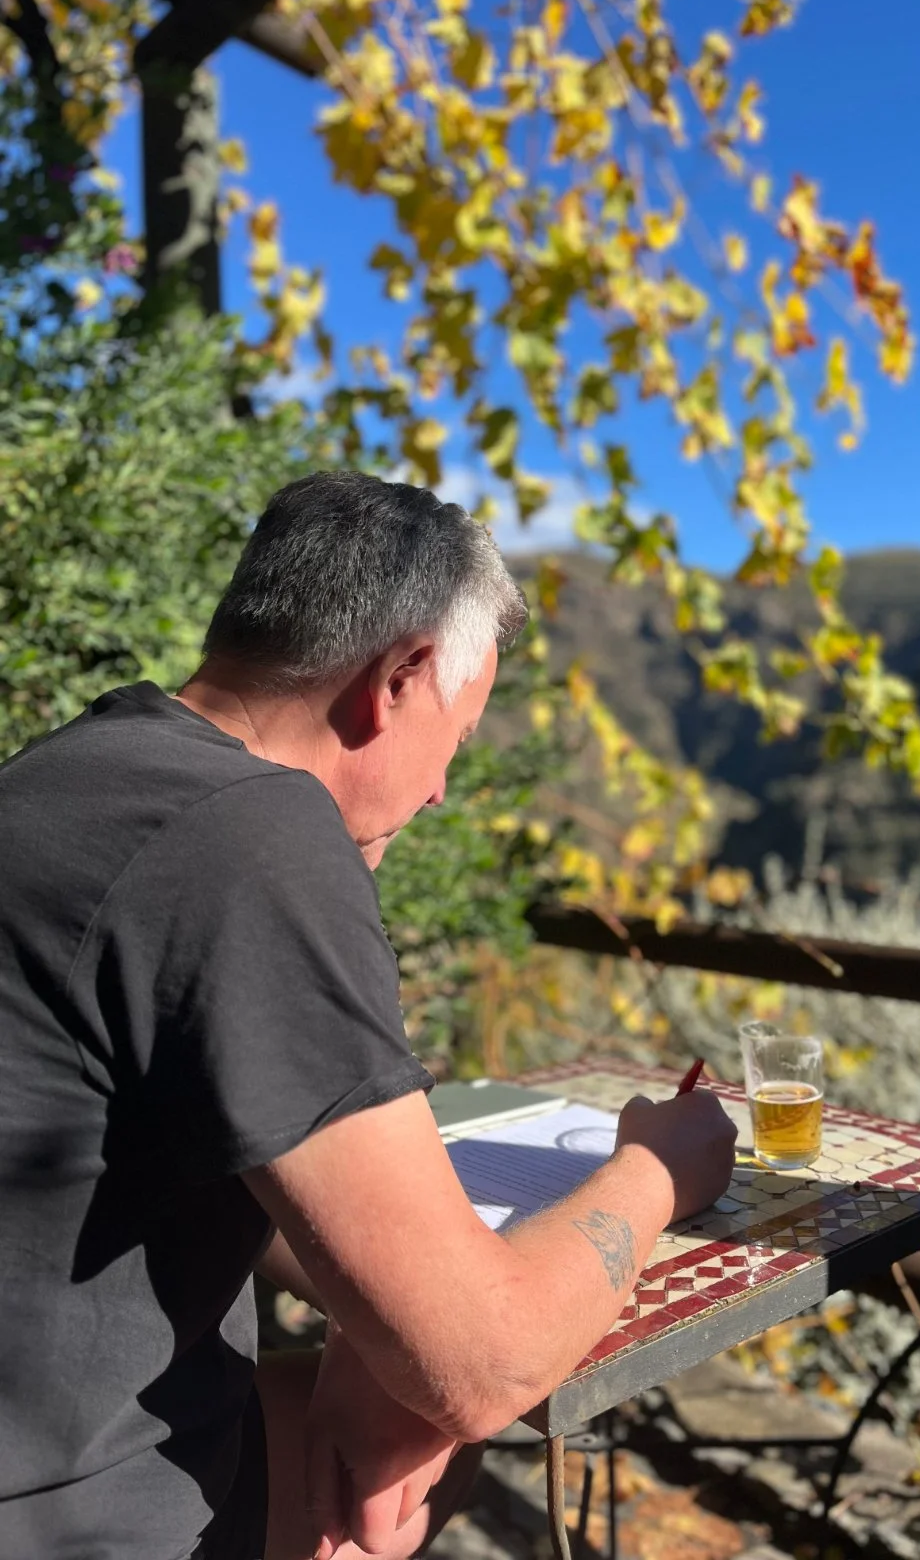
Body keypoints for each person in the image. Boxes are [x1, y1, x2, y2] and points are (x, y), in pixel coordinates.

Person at [0, 471, 737, 1560]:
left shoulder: (73, 773)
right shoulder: (250, 834)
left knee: (418, 1420)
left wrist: (379, 1322)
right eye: (461, 732)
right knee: (451, 1424)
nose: (442, 790)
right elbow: (488, 1361)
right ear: (397, 677)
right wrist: (664, 1166)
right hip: (79, 1516)